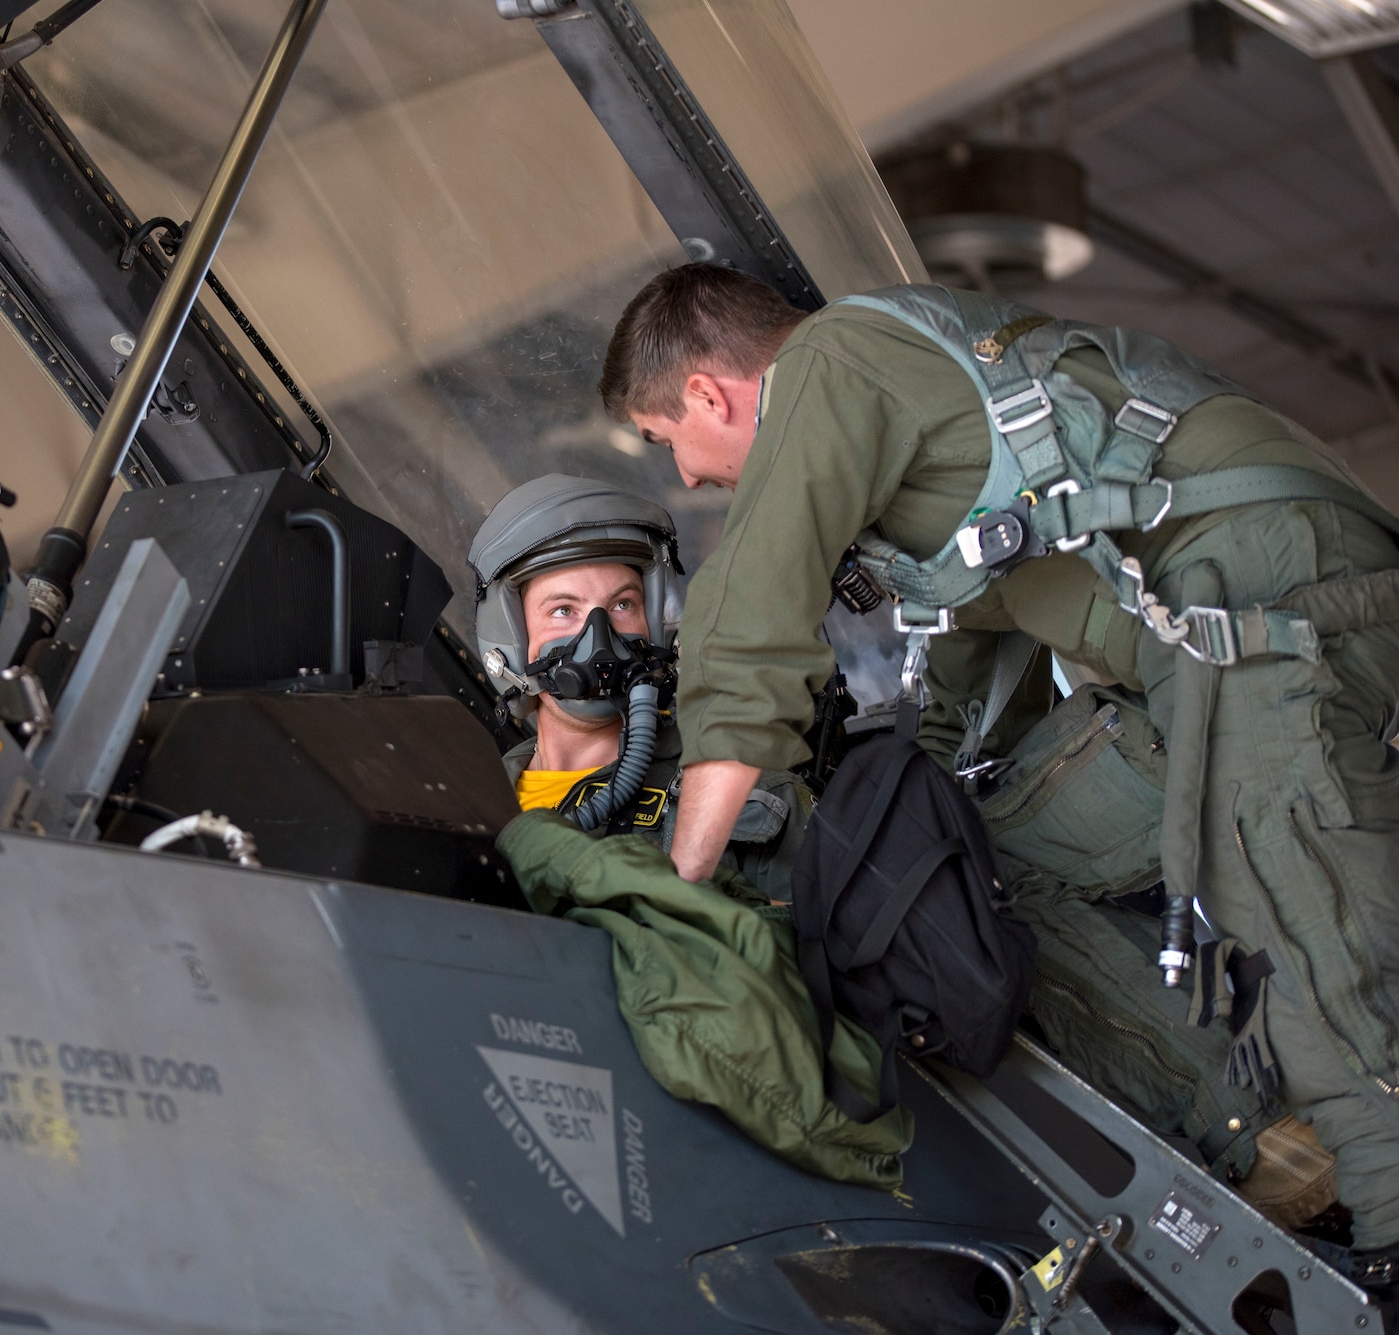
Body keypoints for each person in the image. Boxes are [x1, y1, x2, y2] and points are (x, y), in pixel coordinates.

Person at [598, 262, 1399, 1266]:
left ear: (710, 395)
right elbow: (976, 659)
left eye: (669, 439)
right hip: (1202, 652)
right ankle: (1265, 1142)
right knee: (968, 879)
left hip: (1266, 605)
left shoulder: (833, 358)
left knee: (1286, 897)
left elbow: (748, 607)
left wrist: (681, 882)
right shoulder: (929, 445)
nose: (686, 477)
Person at [468, 474, 810, 899]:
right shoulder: (469, 803)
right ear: (511, 641)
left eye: (622, 604)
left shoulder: (748, 801)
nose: (600, 635)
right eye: (563, 610)